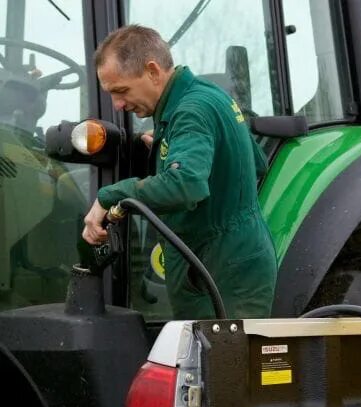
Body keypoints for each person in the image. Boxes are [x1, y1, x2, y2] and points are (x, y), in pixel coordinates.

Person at [82, 25, 277, 320]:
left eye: (121, 91)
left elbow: (185, 185)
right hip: (228, 261)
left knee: (220, 351)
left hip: (217, 271)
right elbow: (256, 163)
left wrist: (110, 195)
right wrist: (173, 148)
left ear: (152, 71)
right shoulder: (208, 95)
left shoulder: (190, 111)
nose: (117, 105)